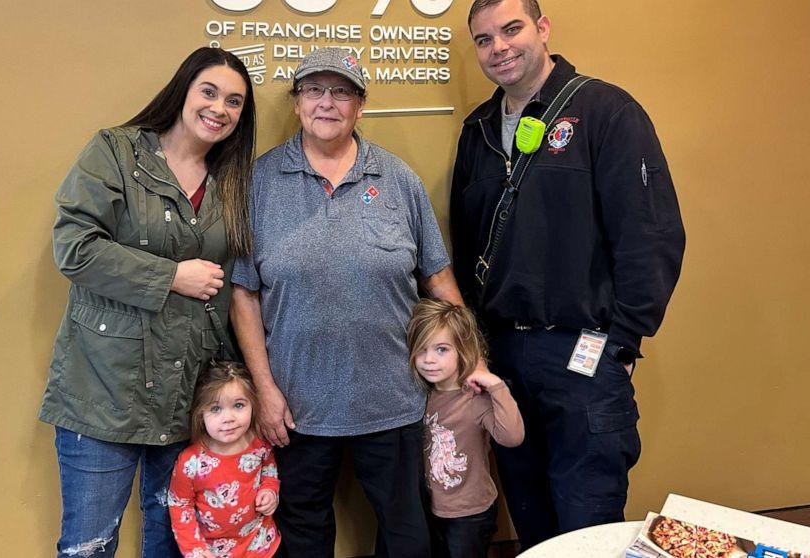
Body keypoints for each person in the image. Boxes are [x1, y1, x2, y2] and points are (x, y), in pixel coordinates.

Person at [450, 0, 686, 549]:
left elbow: (651, 236)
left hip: (585, 353)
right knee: (531, 521)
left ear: (543, 28)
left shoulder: (607, 112)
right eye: (484, 40)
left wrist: (623, 343)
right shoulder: (478, 130)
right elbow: (465, 244)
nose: (499, 48)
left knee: (588, 528)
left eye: (512, 30)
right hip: (502, 356)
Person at [231, 47, 472, 558]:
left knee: (409, 535)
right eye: (314, 90)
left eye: (341, 91)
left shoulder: (398, 180)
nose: (327, 103)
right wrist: (264, 389)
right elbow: (244, 294)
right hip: (297, 408)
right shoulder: (259, 183)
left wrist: (471, 363)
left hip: (394, 401)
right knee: (302, 533)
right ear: (296, 103)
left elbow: (437, 276)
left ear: (360, 105)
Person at [38, 47, 256, 558]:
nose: (219, 109)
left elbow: (234, 290)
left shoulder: (232, 185)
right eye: (209, 92)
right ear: (182, 91)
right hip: (103, 391)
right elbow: (75, 248)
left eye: (234, 102)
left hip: (187, 396)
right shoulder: (116, 151)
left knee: (177, 542)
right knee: (89, 546)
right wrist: (171, 276)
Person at [407, 299, 525, 558]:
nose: (429, 360)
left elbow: (512, 437)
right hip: (433, 507)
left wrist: (496, 386)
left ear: (462, 350)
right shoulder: (421, 397)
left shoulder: (475, 399)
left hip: (471, 513)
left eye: (441, 349)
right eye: (421, 350)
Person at [168, 362, 280, 558]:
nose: (228, 418)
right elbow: (180, 505)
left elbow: (269, 468)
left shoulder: (259, 444)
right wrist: (195, 549)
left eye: (238, 405)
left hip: (261, 544)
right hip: (212, 552)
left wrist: (270, 490)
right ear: (201, 414)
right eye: (216, 409)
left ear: (253, 404)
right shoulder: (190, 462)